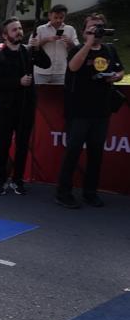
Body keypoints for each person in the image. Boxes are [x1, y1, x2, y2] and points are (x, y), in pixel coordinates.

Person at [55, 13, 124, 209]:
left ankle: (90, 192)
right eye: (92, 27)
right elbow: (73, 67)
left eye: (100, 27)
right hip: (78, 111)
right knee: (73, 152)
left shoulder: (110, 49)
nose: (96, 30)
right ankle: (63, 192)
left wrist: (115, 77)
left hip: (101, 111)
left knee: (96, 154)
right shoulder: (77, 49)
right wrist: (88, 44)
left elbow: (120, 70)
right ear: (84, 31)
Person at [0, 17, 51, 195]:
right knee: (4, 144)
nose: (19, 32)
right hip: (7, 108)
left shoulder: (28, 51)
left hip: (26, 107)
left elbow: (46, 64)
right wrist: (18, 81)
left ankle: (18, 179)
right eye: (14, 29)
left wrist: (38, 48)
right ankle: (0, 178)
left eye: (20, 28)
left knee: (23, 145)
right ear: (5, 35)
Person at [35, 4, 79, 85]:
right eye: (55, 17)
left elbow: (77, 49)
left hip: (61, 71)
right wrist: (46, 40)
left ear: (65, 17)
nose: (58, 20)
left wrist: (69, 42)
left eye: (61, 18)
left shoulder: (70, 29)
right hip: (41, 71)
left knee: (60, 96)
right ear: (50, 16)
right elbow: (32, 47)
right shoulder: (40, 29)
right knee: (39, 95)